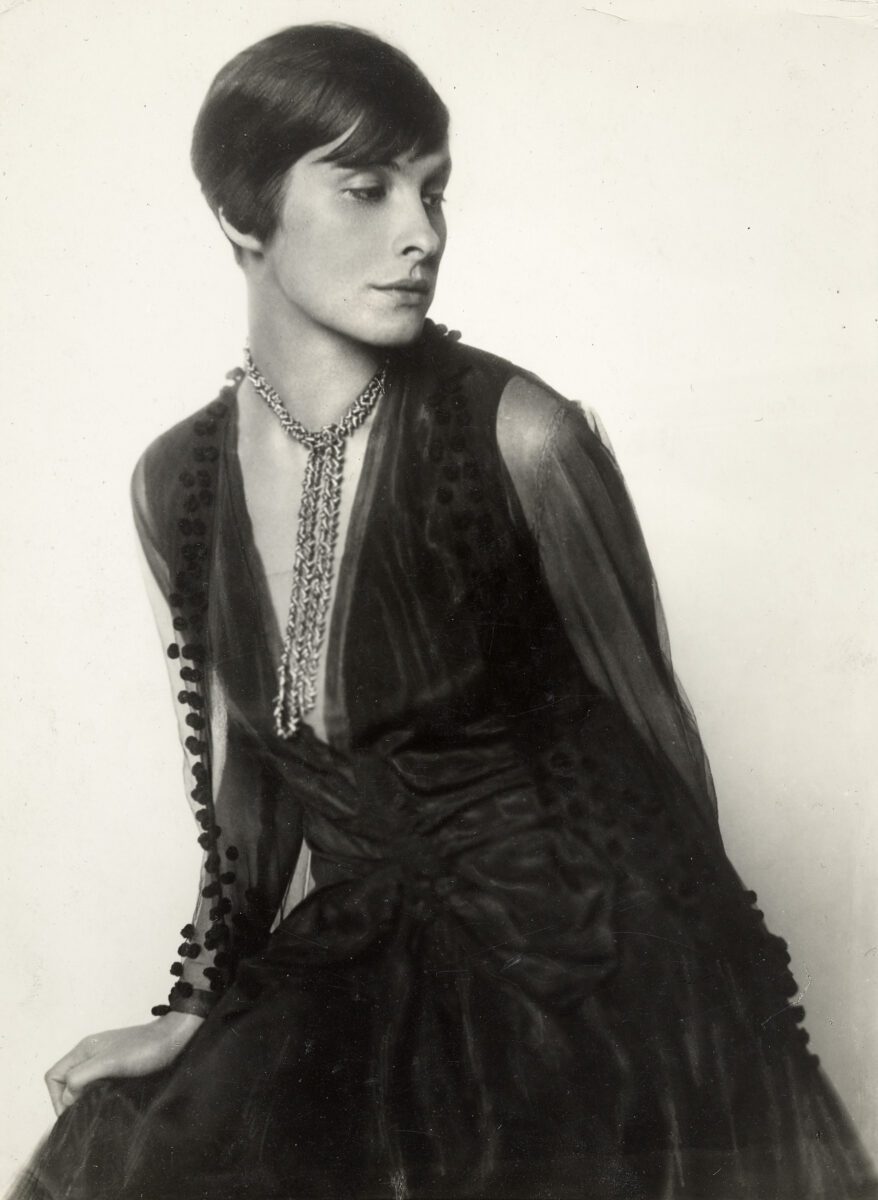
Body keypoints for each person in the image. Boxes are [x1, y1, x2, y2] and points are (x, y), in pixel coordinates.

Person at [9, 21, 877, 1200]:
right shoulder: (178, 486)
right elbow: (260, 773)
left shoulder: (522, 437)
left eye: (433, 190)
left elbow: (656, 744)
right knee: (122, 1154)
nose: (421, 233)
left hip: (592, 977)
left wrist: (720, 1041)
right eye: (367, 189)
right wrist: (196, 1004)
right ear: (241, 215)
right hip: (363, 968)